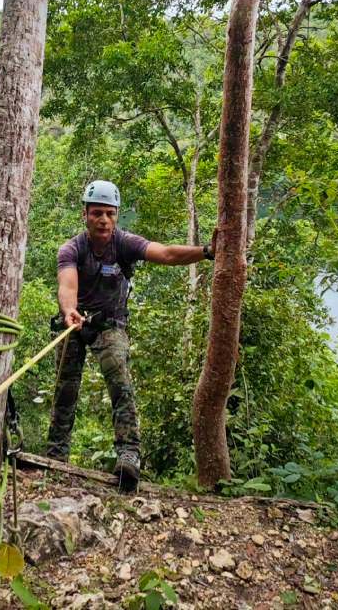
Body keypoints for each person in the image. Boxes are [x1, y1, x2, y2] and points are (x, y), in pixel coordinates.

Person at [47, 180, 214, 491]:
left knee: (120, 383)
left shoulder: (124, 243)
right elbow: (67, 284)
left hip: (110, 324)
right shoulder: (72, 248)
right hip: (74, 323)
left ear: (117, 216)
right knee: (64, 390)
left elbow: (165, 253)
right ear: (85, 214)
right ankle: (56, 456)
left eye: (110, 214)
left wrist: (206, 252)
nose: (104, 220)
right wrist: (69, 310)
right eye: (97, 213)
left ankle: (129, 454)